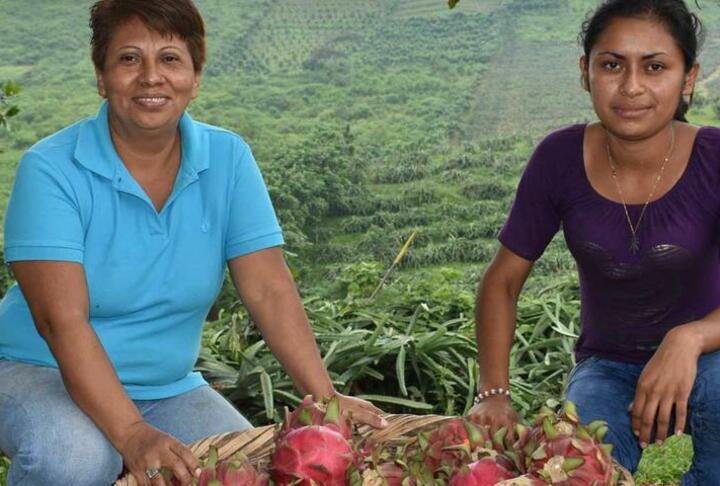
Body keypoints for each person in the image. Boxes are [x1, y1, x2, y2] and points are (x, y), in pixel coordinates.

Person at [0, 1, 386, 485]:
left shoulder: (227, 158)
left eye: (170, 59)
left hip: (164, 385)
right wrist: (133, 433)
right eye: (128, 59)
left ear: (195, 78)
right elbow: (61, 322)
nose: (150, 77)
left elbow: (268, 287)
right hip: (36, 368)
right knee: (77, 457)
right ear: (101, 78)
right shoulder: (52, 169)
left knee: (242, 470)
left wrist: (325, 399)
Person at [469, 0, 720, 483]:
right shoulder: (558, 158)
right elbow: (502, 281)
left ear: (688, 78)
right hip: (607, 366)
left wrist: (689, 337)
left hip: (710, 357)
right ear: (586, 72)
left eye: (655, 67)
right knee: (577, 467)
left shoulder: (714, 159)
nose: (630, 87)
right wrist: (493, 393)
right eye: (611, 65)